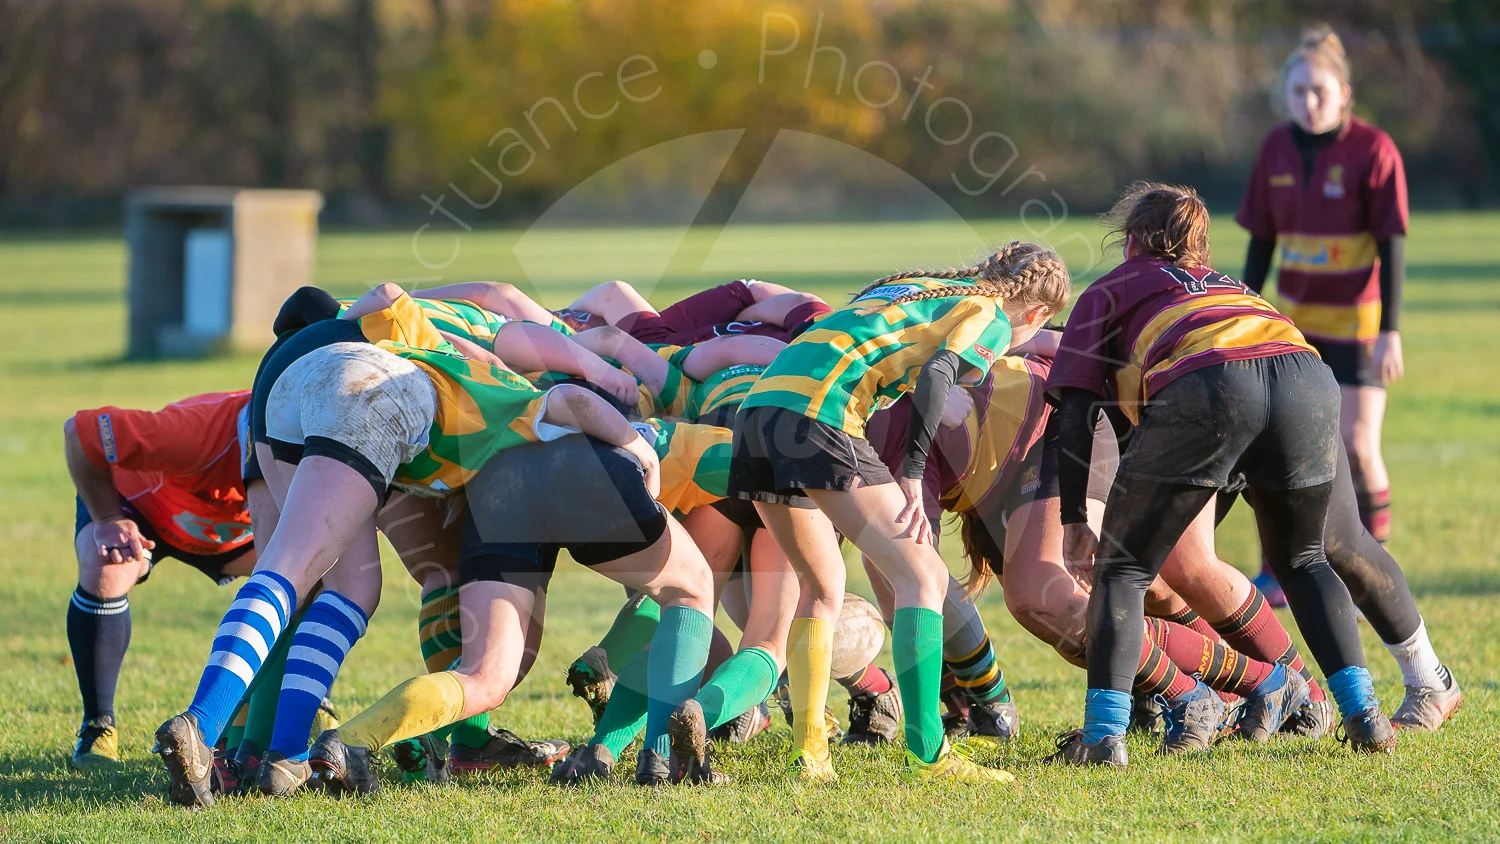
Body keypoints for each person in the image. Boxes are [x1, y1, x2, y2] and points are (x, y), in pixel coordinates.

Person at [1049, 182, 1395, 768]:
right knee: (1304, 559)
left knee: (1122, 569)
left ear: (1130, 241)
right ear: (1198, 247)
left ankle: (1103, 738)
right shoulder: (1230, 285)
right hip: (1307, 377)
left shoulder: (1112, 286)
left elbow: (1079, 411)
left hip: (1213, 386)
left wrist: (1075, 518)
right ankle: (1363, 713)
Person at [729, 242, 1069, 782]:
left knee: (820, 586)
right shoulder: (992, 315)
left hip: (756, 416)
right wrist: (911, 471)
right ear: (1037, 313)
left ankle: (810, 751)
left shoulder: (922, 290)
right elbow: (938, 373)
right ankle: (929, 751)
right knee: (924, 574)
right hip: (820, 415)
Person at [1236, 25, 1408, 581]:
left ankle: (1371, 570)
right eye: (1299, 93)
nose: (1309, 104)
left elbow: (1392, 243)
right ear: (1285, 96)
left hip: (1358, 326)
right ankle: (1277, 568)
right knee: (1281, 448)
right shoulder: (1274, 149)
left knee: (1358, 448)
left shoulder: (1374, 150)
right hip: (1295, 327)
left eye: (1320, 93)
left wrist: (1392, 330)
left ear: (1344, 96)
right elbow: (1261, 239)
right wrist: (1247, 312)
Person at [63, 390, 260, 770]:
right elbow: (80, 432)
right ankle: (98, 726)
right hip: (141, 507)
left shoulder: (319, 436)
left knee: (315, 577)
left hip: (229, 532)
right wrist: (106, 519)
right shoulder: (196, 433)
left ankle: (309, 700)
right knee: (104, 567)